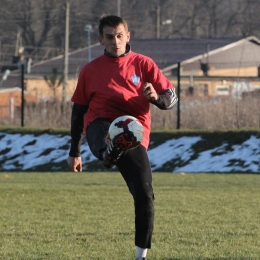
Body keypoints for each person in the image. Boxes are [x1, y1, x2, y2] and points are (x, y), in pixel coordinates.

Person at [67, 15, 178, 260]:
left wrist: (155, 99)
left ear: (128, 36)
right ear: (100, 40)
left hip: (134, 134)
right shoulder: (90, 70)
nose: (115, 41)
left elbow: (171, 95)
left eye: (119, 36)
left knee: (145, 193)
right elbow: (78, 113)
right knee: (107, 133)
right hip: (100, 123)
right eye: (109, 37)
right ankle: (108, 151)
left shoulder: (144, 64)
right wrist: (74, 151)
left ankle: (141, 255)